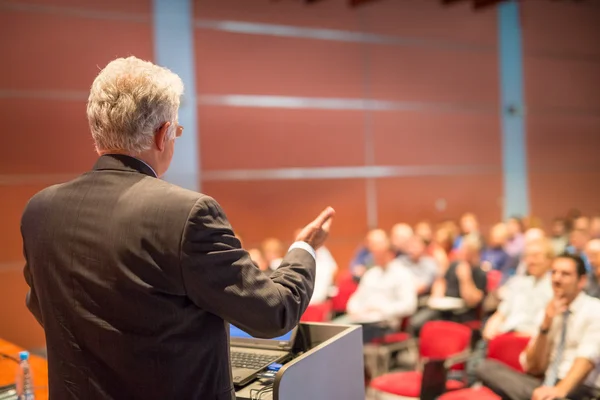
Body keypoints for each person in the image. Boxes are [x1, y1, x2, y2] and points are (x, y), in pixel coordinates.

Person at [21, 56, 336, 400]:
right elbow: (275, 312)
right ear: (163, 133)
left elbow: (43, 306)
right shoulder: (186, 213)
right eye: (177, 132)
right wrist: (304, 248)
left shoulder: (40, 210)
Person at [476, 254, 600, 400]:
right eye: (553, 272)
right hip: (544, 383)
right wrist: (545, 326)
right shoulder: (547, 310)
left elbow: (587, 359)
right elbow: (533, 367)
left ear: (582, 281)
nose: (556, 279)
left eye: (565, 274)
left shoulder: (594, 309)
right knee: (486, 367)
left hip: (580, 388)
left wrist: (559, 391)